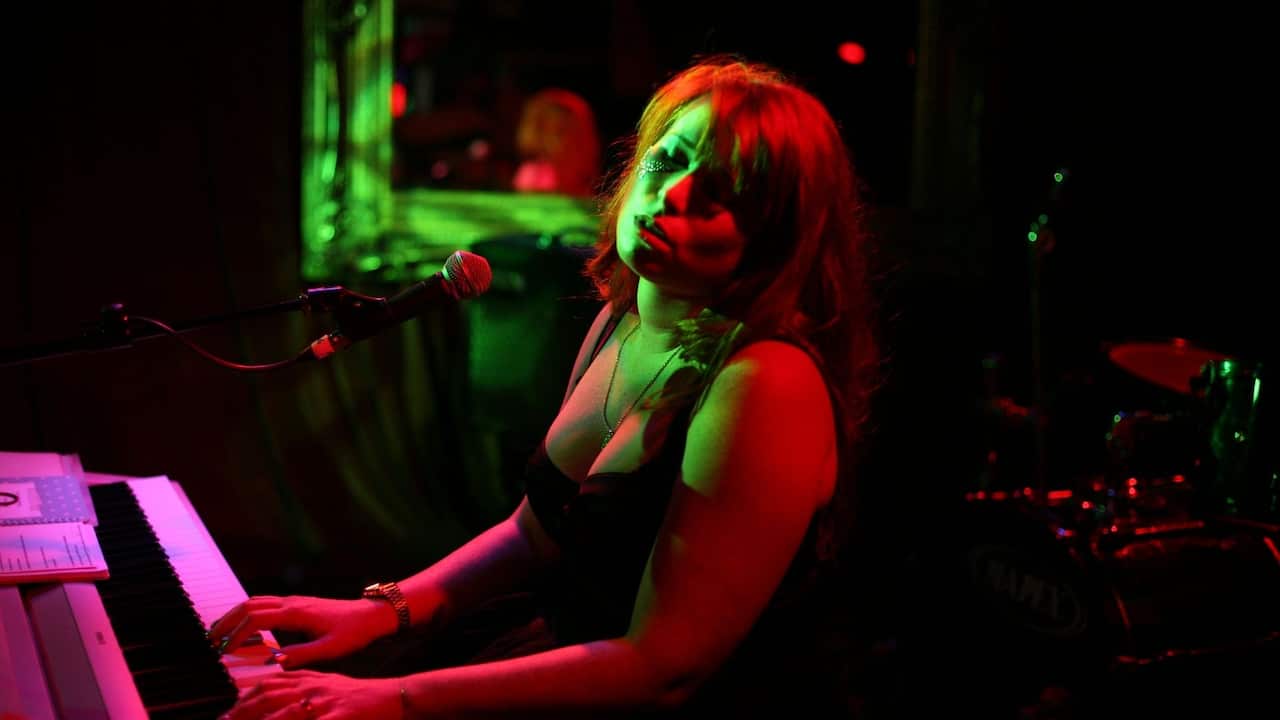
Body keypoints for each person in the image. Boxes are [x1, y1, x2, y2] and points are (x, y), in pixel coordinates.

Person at [212, 54, 881, 718]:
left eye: (721, 193)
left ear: (777, 238)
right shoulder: (621, 317)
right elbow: (534, 534)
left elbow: (664, 668)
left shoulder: (766, 382)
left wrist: (392, 697)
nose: (673, 195)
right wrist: (382, 610)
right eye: (667, 161)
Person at [510, 87, 602, 197]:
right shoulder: (530, 174)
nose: (550, 140)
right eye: (544, 129)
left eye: (561, 131)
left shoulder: (588, 177)